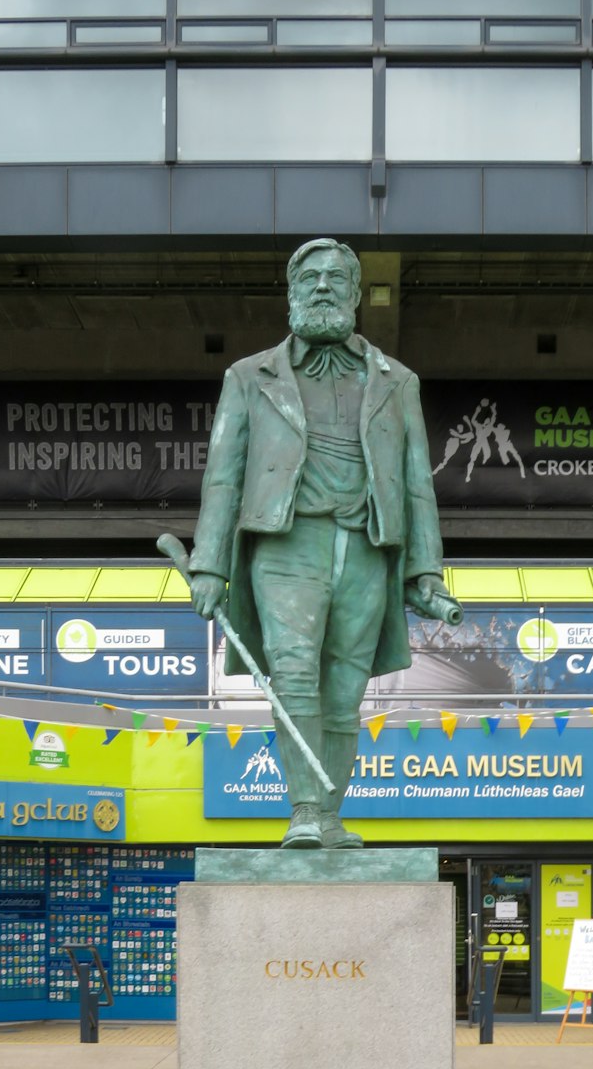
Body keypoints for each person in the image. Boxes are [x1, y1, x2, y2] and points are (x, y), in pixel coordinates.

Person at [188, 237, 458, 849]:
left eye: (337, 278)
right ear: (290, 291)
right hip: (286, 545)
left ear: (358, 294)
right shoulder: (248, 377)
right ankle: (304, 810)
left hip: (367, 547)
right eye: (309, 277)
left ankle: (331, 816)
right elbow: (223, 475)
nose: (322, 287)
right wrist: (208, 564)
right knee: (293, 674)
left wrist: (426, 573)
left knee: (346, 690)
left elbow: (418, 483)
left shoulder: (397, 381)